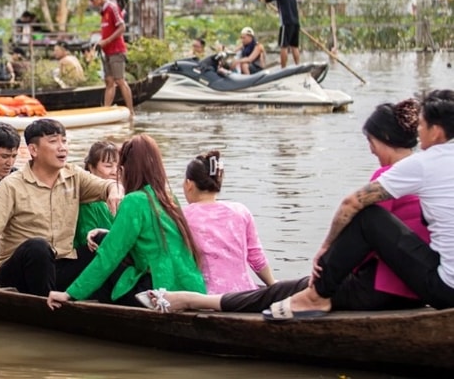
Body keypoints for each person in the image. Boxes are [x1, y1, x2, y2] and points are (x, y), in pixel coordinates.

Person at [147, 98, 432, 316]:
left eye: (370, 141)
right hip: (414, 288)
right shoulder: (426, 173)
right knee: (282, 288)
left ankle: (189, 299)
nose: (370, 149)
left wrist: (327, 274)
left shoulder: (387, 179)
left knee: (282, 292)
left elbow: (364, 237)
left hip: (380, 287)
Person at [0, 119, 124, 297]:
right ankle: (46, 307)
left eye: (64, 141)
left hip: (60, 265)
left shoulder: (74, 175)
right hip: (19, 270)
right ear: (33, 150)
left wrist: (115, 190)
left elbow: (106, 186)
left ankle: (121, 299)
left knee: (104, 240)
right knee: (38, 247)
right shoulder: (12, 185)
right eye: (53, 141)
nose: (62, 148)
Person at [46, 134, 205, 309]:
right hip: (191, 288)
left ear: (127, 168)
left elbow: (109, 256)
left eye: (119, 166)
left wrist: (70, 294)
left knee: (101, 247)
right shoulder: (169, 198)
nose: (117, 172)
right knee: (103, 240)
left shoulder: (134, 201)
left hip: (157, 292)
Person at [182, 150, 275, 293]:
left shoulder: (183, 216)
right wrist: (272, 284)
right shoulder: (241, 211)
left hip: (204, 296)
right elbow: (256, 256)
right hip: (244, 295)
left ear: (189, 184)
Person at [87, 0, 134, 116]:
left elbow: (121, 27)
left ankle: (131, 112)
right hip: (106, 51)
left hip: (116, 50)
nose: (93, 4)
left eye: (93, 1)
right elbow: (108, 30)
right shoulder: (103, 12)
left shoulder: (111, 7)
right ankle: (106, 111)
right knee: (109, 81)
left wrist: (106, 41)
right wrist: (100, 40)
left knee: (120, 80)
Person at [74, 141, 120, 248]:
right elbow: (89, 244)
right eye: (108, 166)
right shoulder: (86, 202)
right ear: (91, 167)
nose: (115, 171)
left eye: (119, 166)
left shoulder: (124, 196)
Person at [260, 0, 300, 68]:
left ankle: (283, 68)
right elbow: (286, 6)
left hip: (286, 23)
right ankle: (298, 66)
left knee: (284, 46)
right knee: (294, 46)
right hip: (295, 23)